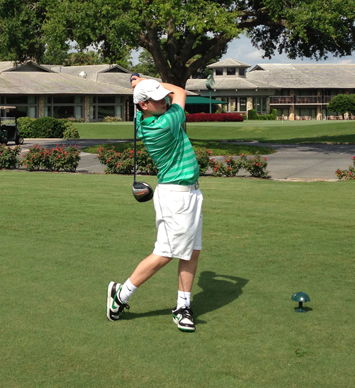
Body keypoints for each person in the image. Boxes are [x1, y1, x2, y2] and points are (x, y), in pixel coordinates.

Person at [106, 77, 203, 332]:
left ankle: (183, 305)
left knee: (192, 251)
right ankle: (121, 296)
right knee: (166, 253)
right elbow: (180, 92)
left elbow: (156, 97)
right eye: (158, 99)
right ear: (145, 105)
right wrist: (150, 81)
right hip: (177, 196)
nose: (164, 100)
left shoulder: (141, 118)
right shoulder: (165, 124)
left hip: (189, 193)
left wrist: (141, 86)